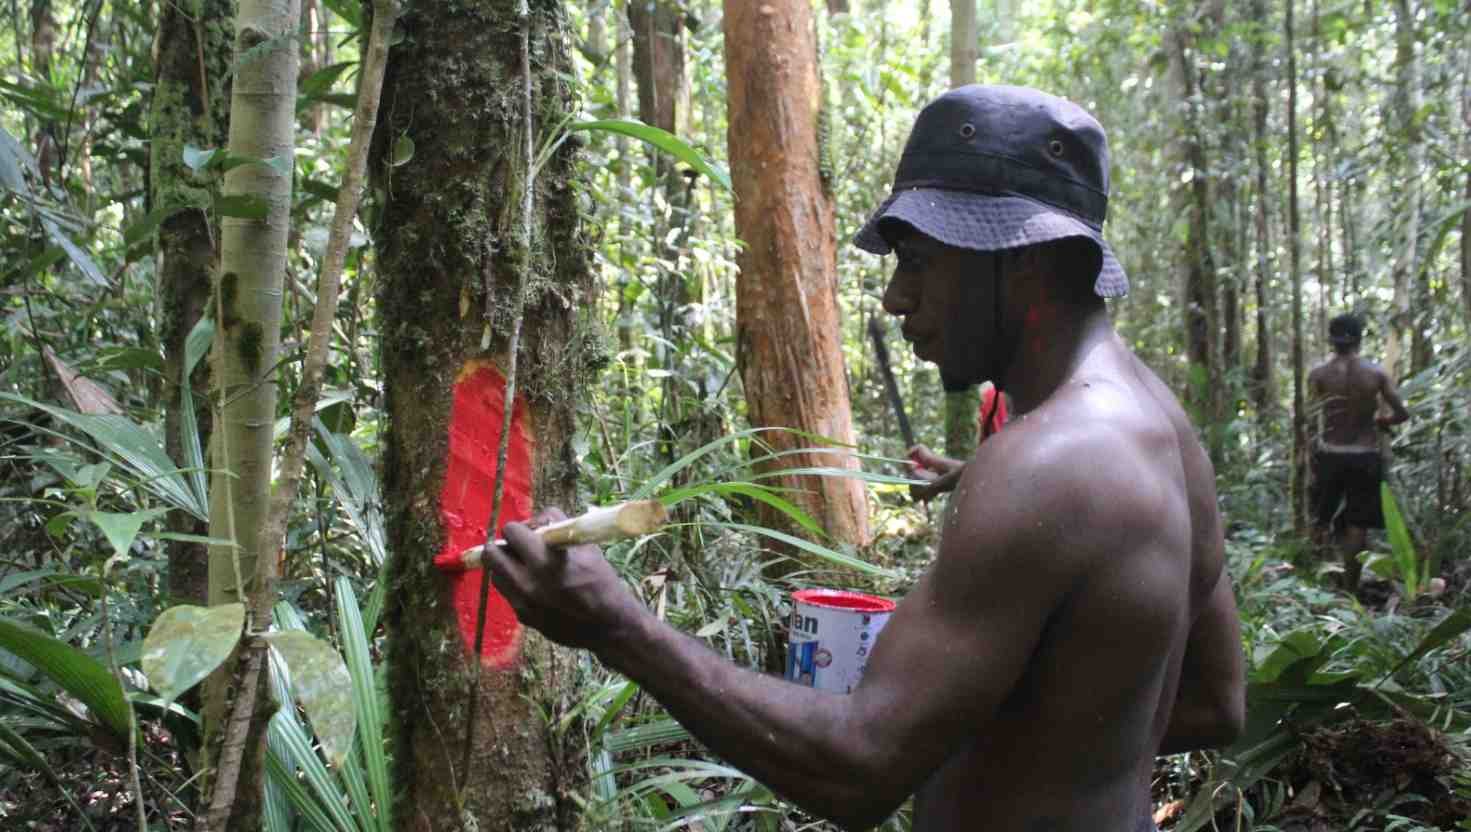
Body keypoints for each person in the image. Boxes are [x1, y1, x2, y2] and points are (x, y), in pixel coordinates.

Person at [487, 85, 1246, 832]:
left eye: (917, 260)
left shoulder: (1045, 465)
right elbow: (1214, 702)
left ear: (1025, 258)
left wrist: (619, 627)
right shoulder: (1160, 426)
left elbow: (861, 770)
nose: (893, 298)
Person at [1307, 313, 1410, 592]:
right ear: (1360, 339)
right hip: (1364, 455)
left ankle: (1311, 583)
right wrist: (1381, 421)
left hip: (1329, 453)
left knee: (1321, 517)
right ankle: (1350, 589)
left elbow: (1311, 416)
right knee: (1357, 523)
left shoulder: (1318, 374)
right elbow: (1402, 413)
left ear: (1331, 340)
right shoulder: (1375, 374)